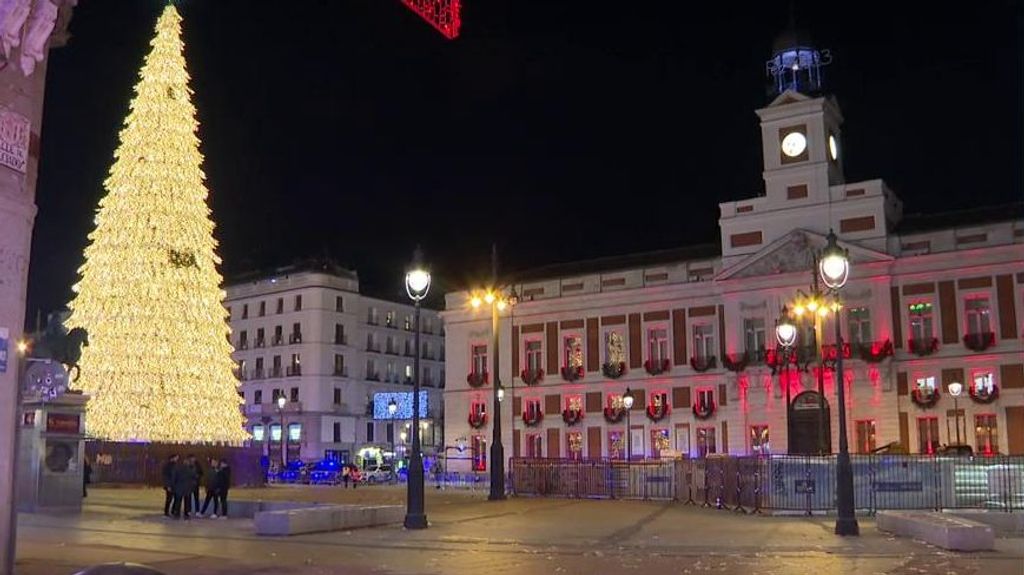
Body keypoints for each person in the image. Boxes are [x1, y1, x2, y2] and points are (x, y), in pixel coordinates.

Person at [171, 456, 197, 520]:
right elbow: (194, 477)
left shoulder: (177, 469)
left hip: (179, 487)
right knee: (187, 502)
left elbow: (174, 478)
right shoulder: (190, 470)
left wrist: (173, 486)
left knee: (178, 501)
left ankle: (176, 514)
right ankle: (186, 514)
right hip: (187, 488)